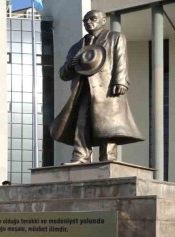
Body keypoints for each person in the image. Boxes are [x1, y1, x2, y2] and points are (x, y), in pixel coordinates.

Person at [50, 9, 143, 164]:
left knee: (109, 124)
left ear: (103, 20)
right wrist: (71, 64)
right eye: (85, 20)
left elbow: (120, 60)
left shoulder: (115, 37)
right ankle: (80, 156)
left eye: (92, 18)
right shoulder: (76, 47)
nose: (88, 22)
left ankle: (108, 157)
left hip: (107, 89)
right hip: (83, 89)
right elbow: (63, 75)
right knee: (82, 122)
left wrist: (120, 81)